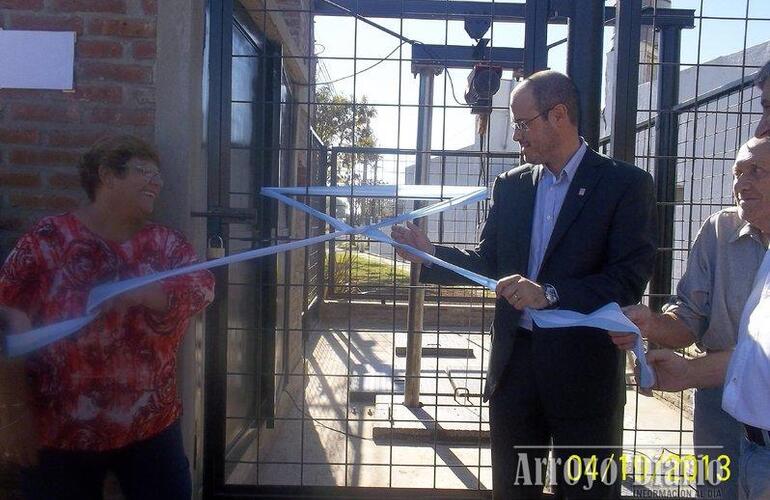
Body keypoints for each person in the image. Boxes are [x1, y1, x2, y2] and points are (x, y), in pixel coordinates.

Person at [391, 70, 657, 499]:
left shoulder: (624, 185)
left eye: (522, 123)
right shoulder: (511, 187)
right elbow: (489, 262)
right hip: (515, 370)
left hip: (583, 375)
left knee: (586, 490)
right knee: (513, 491)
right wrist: (430, 253)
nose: (516, 135)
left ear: (559, 115)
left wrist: (550, 293)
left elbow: (627, 278)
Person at [0, 135, 214, 499]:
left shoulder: (166, 246)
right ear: (107, 176)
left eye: (159, 176)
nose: (157, 182)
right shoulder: (47, 239)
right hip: (59, 429)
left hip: (152, 425)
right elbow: (7, 324)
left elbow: (203, 289)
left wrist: (143, 291)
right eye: (144, 171)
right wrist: (12, 413)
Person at [611, 71, 770, 498]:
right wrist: (648, 323)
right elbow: (690, 321)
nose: (762, 126)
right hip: (719, 404)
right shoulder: (720, 232)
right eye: (738, 172)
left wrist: (691, 372)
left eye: (756, 172)